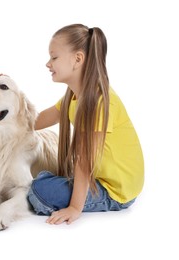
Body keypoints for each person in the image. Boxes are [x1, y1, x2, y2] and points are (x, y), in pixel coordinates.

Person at [26, 23, 144, 225]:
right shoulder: (73, 98)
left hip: (116, 191)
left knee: (39, 191)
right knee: (41, 181)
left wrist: (74, 208)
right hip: (99, 178)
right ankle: (52, 182)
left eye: (54, 57)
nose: (48, 63)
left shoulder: (99, 102)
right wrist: (4, 104)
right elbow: (35, 122)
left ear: (78, 59)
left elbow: (84, 161)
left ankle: (54, 186)